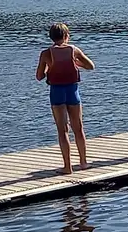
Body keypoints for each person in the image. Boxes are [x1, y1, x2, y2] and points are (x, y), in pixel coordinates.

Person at [36, 23, 96, 175]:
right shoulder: (74, 50)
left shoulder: (46, 53)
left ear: (51, 37)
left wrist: (49, 68)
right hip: (72, 91)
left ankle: (67, 167)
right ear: (66, 36)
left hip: (56, 92)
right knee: (78, 128)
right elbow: (91, 66)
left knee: (62, 131)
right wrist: (77, 63)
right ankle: (83, 163)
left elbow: (39, 76)